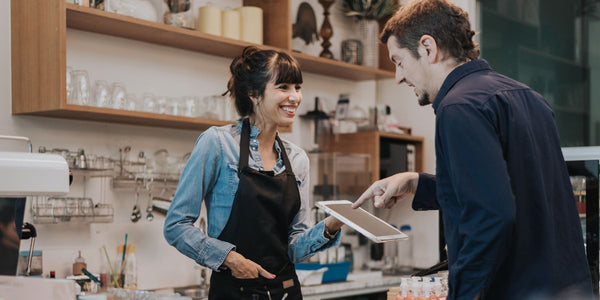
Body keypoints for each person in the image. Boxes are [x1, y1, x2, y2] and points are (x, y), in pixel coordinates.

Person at [351, 0, 593, 299]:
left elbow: (491, 215)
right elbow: (513, 191)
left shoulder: (459, 107)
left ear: (428, 48)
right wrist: (418, 183)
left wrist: (461, 294)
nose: (399, 77)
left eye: (399, 61)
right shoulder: (528, 96)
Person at [164, 46, 344, 300]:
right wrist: (229, 258)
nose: (295, 97)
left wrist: (333, 224)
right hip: (234, 293)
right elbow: (176, 225)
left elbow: (294, 249)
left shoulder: (297, 159)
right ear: (253, 93)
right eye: (283, 87)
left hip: (286, 292)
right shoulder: (217, 144)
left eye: (297, 87)